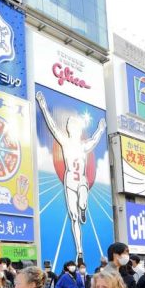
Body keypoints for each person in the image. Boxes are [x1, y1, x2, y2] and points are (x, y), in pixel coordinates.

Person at [36, 91, 106, 258]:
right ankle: (80, 250)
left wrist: (101, 128)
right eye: (70, 126)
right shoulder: (65, 142)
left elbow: (95, 139)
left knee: (82, 201)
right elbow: (52, 125)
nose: (71, 128)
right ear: (68, 129)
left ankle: (84, 208)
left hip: (81, 179)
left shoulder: (83, 146)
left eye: (74, 126)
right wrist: (43, 105)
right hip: (69, 181)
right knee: (73, 217)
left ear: (78, 129)